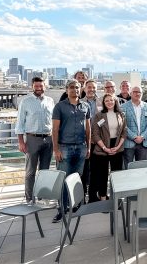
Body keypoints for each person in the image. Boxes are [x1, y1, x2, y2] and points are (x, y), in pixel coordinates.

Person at [52, 80, 91, 223]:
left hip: (81, 147)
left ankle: (76, 206)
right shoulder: (59, 107)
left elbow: (88, 128)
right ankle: (61, 209)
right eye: (71, 88)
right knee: (63, 180)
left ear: (81, 89)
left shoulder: (85, 106)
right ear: (66, 90)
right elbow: (55, 129)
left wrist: (88, 147)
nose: (75, 90)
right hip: (65, 147)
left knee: (77, 178)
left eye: (77, 87)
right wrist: (56, 149)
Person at [15, 76, 55, 202]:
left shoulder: (50, 101)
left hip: (48, 139)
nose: (39, 88)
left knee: (45, 171)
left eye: (41, 86)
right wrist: (21, 141)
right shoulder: (26, 101)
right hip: (32, 139)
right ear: (32, 87)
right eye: (36, 86)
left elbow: (53, 121)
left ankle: (42, 197)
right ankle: (29, 198)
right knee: (30, 171)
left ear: (45, 86)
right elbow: (20, 123)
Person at [90, 93, 126, 200]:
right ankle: (103, 198)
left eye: (111, 100)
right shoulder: (98, 116)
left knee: (116, 174)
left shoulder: (121, 114)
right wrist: (105, 148)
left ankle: (116, 198)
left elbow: (124, 132)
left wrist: (118, 146)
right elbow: (95, 134)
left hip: (117, 147)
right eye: (107, 101)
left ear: (115, 101)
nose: (109, 102)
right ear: (103, 103)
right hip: (102, 147)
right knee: (103, 175)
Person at [121, 86, 147, 168]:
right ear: (130, 93)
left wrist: (142, 137)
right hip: (129, 143)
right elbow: (122, 125)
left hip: (144, 142)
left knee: (141, 168)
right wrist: (134, 137)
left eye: (139, 92)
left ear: (142, 94)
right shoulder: (123, 107)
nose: (137, 93)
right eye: (135, 92)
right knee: (128, 167)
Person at [80, 79, 99, 202]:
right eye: (89, 87)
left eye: (93, 87)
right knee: (83, 169)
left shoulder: (103, 101)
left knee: (96, 169)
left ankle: (93, 196)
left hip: (99, 141)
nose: (91, 89)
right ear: (84, 89)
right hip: (83, 141)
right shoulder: (80, 103)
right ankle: (81, 196)